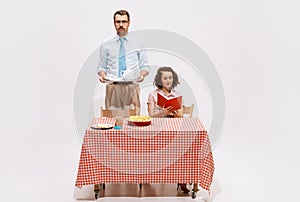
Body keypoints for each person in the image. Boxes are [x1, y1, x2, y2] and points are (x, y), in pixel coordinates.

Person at [97, 10, 149, 114]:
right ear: (114, 23)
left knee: (133, 122)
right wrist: (102, 74)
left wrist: (142, 75)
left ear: (129, 23)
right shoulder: (106, 44)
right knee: (113, 122)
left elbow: (145, 66)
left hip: (132, 86)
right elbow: (101, 67)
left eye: (124, 21)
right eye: (118, 22)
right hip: (112, 86)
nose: (121, 25)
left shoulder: (138, 43)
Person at [147, 66, 190, 193]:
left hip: (173, 129)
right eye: (165, 78)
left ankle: (182, 180)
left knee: (183, 149)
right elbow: (150, 114)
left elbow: (181, 116)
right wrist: (163, 112)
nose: (168, 80)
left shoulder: (177, 95)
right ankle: (149, 175)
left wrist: (174, 112)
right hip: (156, 129)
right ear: (159, 80)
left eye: (170, 78)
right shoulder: (153, 94)